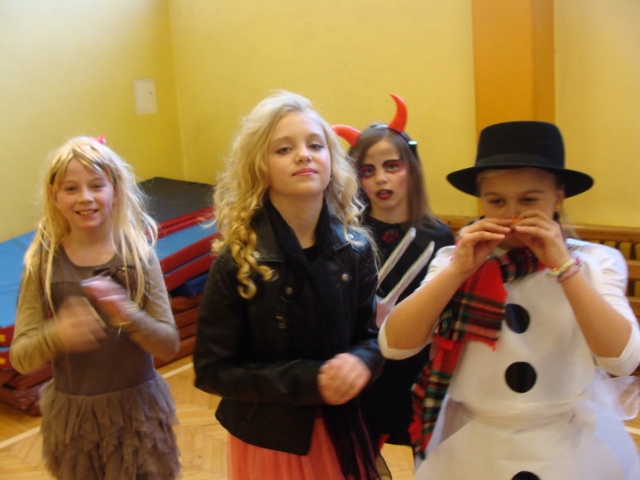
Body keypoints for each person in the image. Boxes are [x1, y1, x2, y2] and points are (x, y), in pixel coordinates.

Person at [380, 120, 640, 479]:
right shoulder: (455, 260)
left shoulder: (595, 261)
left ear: (558, 196)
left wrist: (563, 266)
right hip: (474, 446)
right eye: (496, 201)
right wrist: (458, 271)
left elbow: (623, 360)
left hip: (568, 445)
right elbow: (394, 345)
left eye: (529, 200)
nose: (512, 215)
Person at [193, 91, 384, 480]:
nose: (303, 155)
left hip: (341, 429)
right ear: (260, 167)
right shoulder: (239, 261)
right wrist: (310, 381)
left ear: (331, 161)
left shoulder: (355, 250)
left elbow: (372, 336)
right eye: (284, 149)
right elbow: (213, 371)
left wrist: (362, 361)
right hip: (271, 440)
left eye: (315, 145)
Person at [10, 136, 181, 480]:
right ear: (54, 197)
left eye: (96, 185)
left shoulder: (139, 258)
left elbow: (168, 343)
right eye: (71, 188)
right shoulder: (43, 265)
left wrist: (127, 315)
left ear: (115, 191)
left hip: (138, 415)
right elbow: (21, 357)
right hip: (75, 421)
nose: (85, 197)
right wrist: (56, 334)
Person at [334, 94, 454, 463]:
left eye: (392, 166)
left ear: (411, 169)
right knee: (356, 460)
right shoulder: (345, 234)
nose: (381, 179)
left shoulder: (439, 237)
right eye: (368, 171)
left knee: (431, 461)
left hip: (417, 374)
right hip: (363, 371)